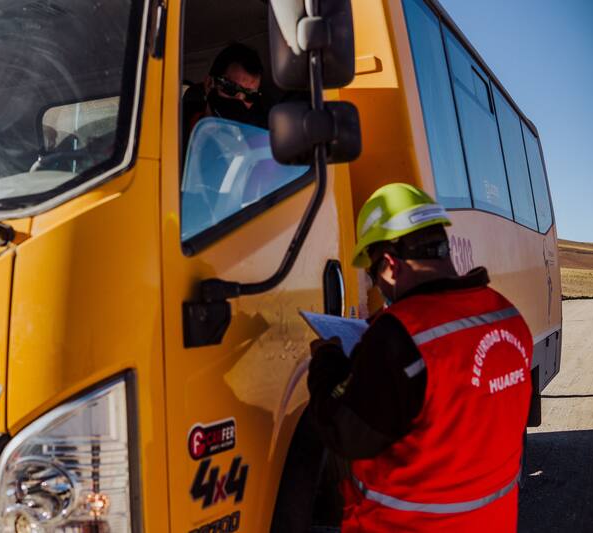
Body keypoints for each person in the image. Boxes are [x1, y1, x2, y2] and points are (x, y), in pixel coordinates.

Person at [307, 183, 533, 532]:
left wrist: (328, 362)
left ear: (390, 266)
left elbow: (346, 433)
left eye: (372, 273)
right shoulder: (508, 316)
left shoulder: (399, 336)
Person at [182, 42, 268, 151]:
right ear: (209, 83)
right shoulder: (174, 130)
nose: (239, 99)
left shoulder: (258, 141)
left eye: (250, 96)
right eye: (230, 88)